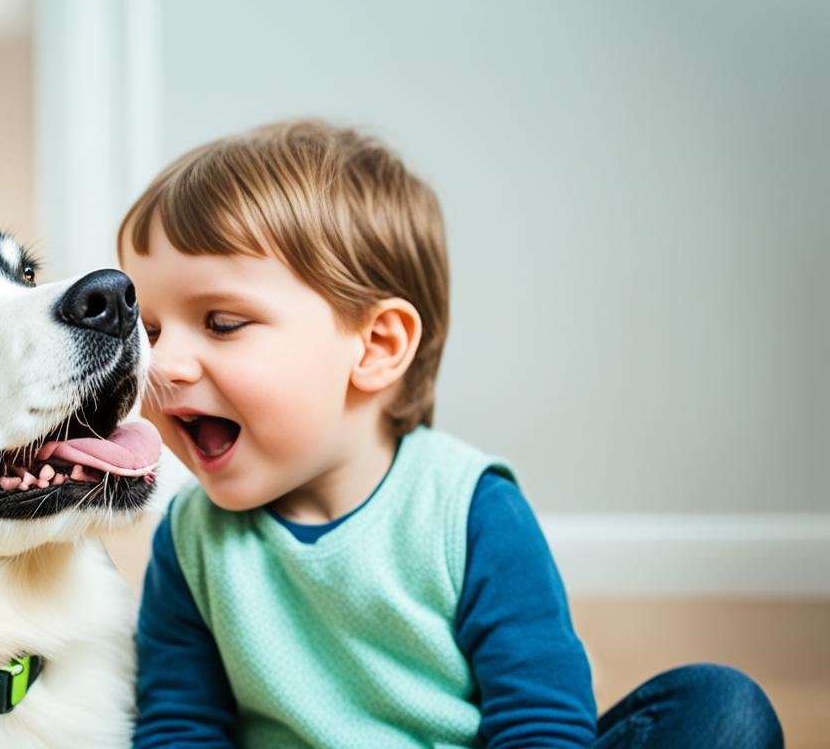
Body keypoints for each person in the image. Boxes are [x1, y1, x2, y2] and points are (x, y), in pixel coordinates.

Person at [118, 120, 782, 748]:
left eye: (223, 323)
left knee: (721, 709)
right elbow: (180, 727)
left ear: (377, 346)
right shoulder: (191, 541)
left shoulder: (469, 511)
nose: (163, 365)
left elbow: (541, 722)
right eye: (149, 331)